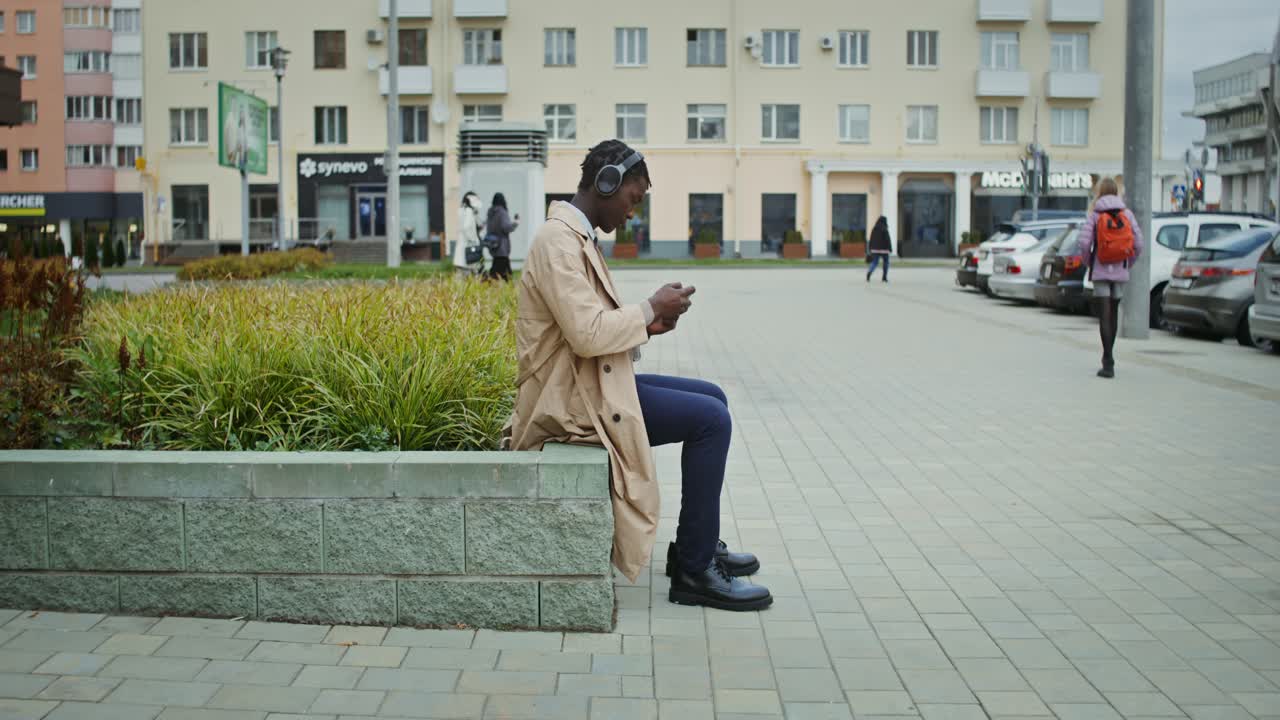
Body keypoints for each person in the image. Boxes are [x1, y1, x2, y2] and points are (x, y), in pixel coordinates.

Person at [507, 139, 772, 611]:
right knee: (711, 421)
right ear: (606, 183)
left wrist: (648, 324)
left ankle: (695, 545)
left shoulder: (575, 237)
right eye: (633, 198)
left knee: (714, 397)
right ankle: (693, 572)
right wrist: (649, 306)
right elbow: (588, 335)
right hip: (569, 402)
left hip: (586, 384)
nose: (633, 213)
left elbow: (585, 330)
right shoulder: (557, 242)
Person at [1077, 177, 1145, 379]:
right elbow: (1139, 243)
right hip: (1120, 271)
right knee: (1113, 313)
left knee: (1104, 315)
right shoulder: (1127, 214)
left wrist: (1090, 261)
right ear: (1116, 192)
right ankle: (1110, 356)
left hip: (1101, 270)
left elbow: (1083, 242)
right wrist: (1128, 262)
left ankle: (1107, 361)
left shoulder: (1095, 215)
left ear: (1099, 192)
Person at [484, 193, 519, 282]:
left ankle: (490, 284)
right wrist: (515, 223)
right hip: (502, 246)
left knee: (498, 269)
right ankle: (489, 283)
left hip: (493, 245)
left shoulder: (490, 212)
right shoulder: (502, 212)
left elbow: (489, 227)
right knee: (504, 272)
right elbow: (506, 227)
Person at [454, 192, 485, 276]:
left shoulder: (461, 210)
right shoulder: (469, 211)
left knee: (460, 279)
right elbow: (467, 227)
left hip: (461, 251)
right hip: (468, 250)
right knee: (471, 278)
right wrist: (473, 240)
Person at [867, 216, 892, 282]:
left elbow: (871, 239)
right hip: (884, 249)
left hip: (875, 249)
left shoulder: (874, 228)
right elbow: (888, 239)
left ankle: (869, 272)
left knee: (875, 262)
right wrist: (890, 248)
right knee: (886, 262)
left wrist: (870, 248)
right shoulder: (885, 228)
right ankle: (884, 277)